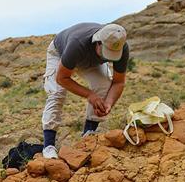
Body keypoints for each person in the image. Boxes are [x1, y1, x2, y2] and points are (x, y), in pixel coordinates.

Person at [41, 23, 129, 159]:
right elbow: (62, 78)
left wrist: (109, 103)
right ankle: (48, 146)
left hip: (91, 62)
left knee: (104, 84)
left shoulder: (120, 46)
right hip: (60, 53)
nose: (110, 58)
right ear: (98, 42)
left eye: (114, 55)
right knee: (57, 93)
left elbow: (119, 82)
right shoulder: (77, 44)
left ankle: (88, 136)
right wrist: (89, 95)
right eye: (107, 53)